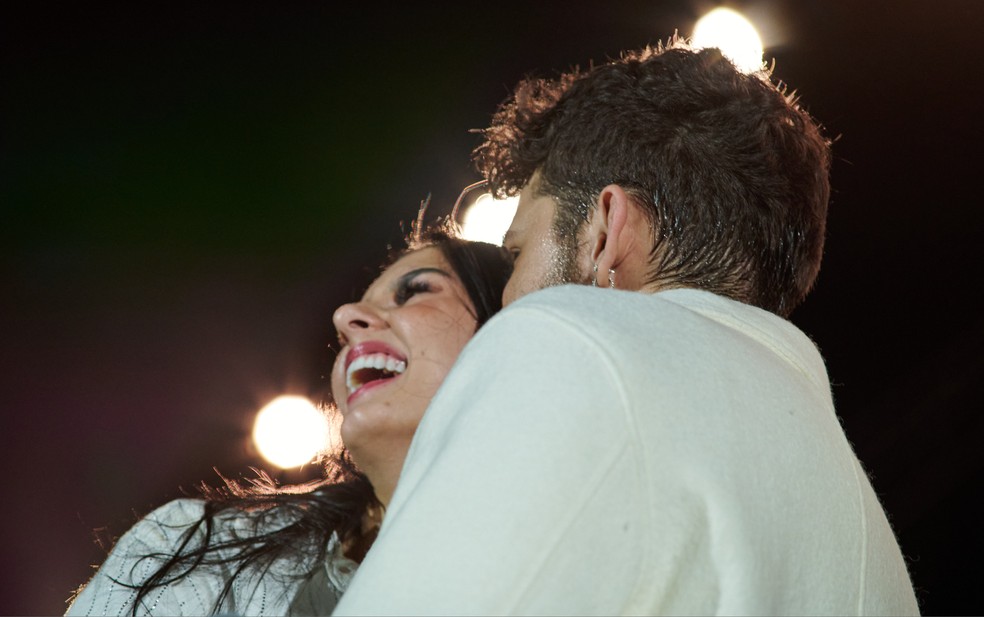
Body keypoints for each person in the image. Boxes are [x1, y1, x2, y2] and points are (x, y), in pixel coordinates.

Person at [333, 39, 920, 615]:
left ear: (605, 231)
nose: (507, 297)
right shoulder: (864, 526)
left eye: (518, 254)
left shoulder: (562, 342)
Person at [65, 224, 513, 616]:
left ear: (511, 331)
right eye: (348, 320)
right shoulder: (190, 545)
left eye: (414, 291)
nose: (344, 318)